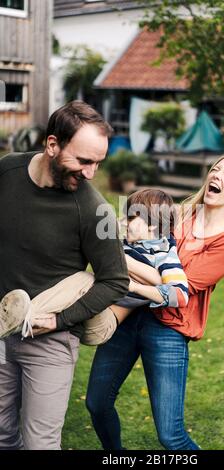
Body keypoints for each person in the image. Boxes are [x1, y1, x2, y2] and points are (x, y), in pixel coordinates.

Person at [86, 153, 224, 450]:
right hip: (129, 314)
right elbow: (130, 227)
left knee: (171, 436)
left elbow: (180, 287)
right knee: (97, 404)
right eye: (216, 170)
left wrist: (120, 260)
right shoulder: (179, 213)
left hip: (168, 329)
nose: (217, 176)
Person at [0, 100, 129, 450]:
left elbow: (116, 280)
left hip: (50, 342)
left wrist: (58, 320)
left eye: (98, 163)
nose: (90, 173)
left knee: (40, 443)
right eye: (84, 161)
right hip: (0, 331)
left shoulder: (97, 210)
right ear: (52, 144)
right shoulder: (7, 172)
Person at [0, 189, 189, 345]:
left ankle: (18, 317)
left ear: (152, 225)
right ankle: (22, 317)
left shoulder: (164, 253)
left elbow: (180, 295)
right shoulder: (127, 244)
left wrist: (133, 286)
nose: (125, 222)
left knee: (87, 280)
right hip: (85, 309)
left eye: (131, 218)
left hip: (103, 324)